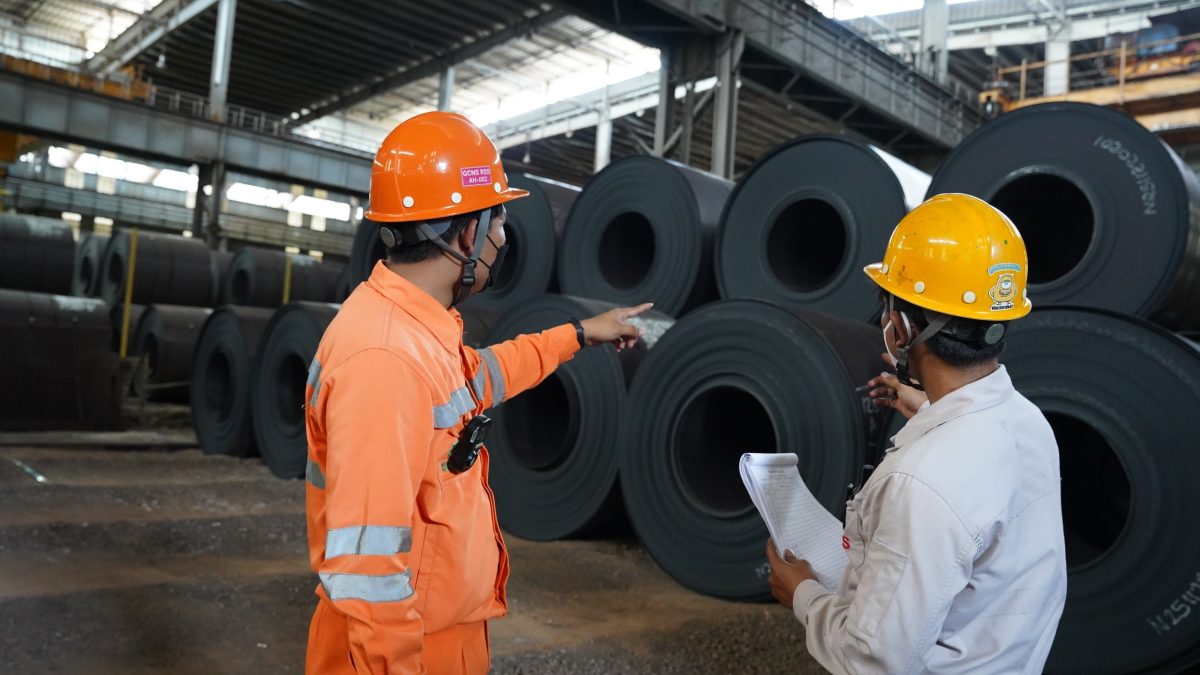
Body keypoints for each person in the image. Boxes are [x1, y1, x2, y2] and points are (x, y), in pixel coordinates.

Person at [303, 111, 651, 674]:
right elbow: (366, 568)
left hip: (440, 633)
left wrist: (580, 334)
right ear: (465, 233)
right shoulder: (384, 358)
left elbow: (482, 376)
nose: (502, 236)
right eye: (498, 221)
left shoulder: (416, 330)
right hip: (400, 650)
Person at [766, 193, 1067, 673]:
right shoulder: (1028, 422)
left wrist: (801, 594)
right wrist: (932, 412)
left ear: (901, 329)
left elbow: (876, 661)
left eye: (887, 308)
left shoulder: (920, 484)